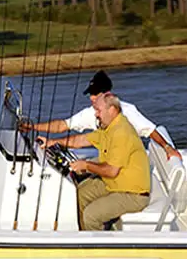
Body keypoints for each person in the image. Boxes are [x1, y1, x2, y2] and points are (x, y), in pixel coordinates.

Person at [38, 94, 150, 231]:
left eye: (98, 111)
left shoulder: (121, 133)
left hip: (133, 194)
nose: (96, 115)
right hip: (115, 183)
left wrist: (85, 166)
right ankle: (84, 233)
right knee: (80, 193)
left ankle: (95, 248)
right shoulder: (109, 127)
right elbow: (80, 140)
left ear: (112, 110)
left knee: (91, 215)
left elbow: (111, 171)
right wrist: (52, 142)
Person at [22, 70, 182, 160]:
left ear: (108, 94)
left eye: (95, 94)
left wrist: (168, 148)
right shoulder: (91, 113)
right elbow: (63, 125)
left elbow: (151, 130)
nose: (91, 98)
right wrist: (32, 127)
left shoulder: (128, 111)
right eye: (90, 94)